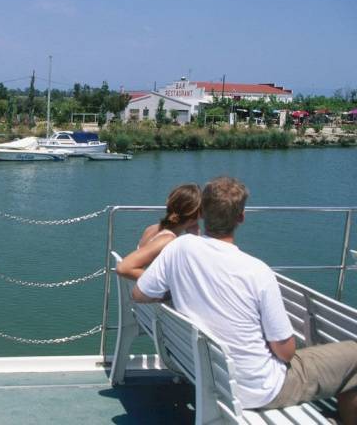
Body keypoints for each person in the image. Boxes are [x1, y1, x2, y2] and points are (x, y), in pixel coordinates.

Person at [132, 176, 357, 422]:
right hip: (260, 389)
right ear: (241, 217)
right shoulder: (257, 271)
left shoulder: (179, 247)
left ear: (203, 213)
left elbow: (139, 293)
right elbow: (285, 353)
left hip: (209, 374)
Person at [116, 183, 201, 281]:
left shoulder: (152, 229)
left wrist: (194, 236)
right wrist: (166, 285)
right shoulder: (167, 240)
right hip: (156, 295)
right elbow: (123, 268)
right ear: (195, 216)